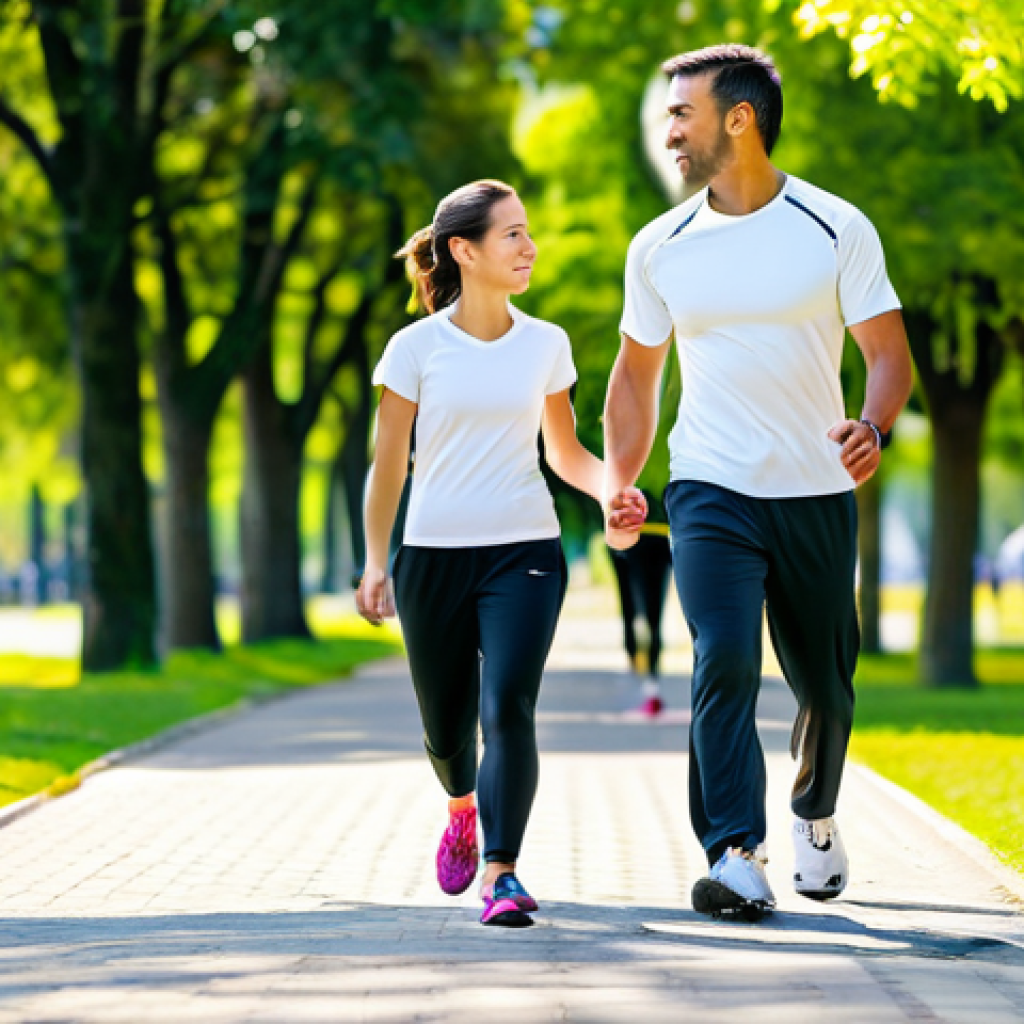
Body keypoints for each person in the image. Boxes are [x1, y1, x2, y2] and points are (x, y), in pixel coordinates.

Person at [603, 45, 914, 920]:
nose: (667, 131)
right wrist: (620, 485)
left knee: (826, 681)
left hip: (815, 486)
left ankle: (814, 814)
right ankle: (735, 852)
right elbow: (634, 378)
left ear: (738, 119)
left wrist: (871, 425)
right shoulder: (659, 246)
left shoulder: (835, 226)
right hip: (708, 486)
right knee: (723, 659)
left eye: (681, 114)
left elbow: (888, 355)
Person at [357, 179, 646, 928]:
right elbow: (389, 464)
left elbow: (564, 451)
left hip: (524, 549)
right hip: (432, 555)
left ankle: (502, 871)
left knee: (508, 707)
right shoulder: (414, 348)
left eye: (527, 232)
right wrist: (375, 561)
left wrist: (613, 490)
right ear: (465, 249)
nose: (529, 247)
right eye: (512, 234)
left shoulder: (546, 342)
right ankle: (461, 808)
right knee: (446, 731)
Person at [608, 489, 674, 715]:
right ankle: (650, 681)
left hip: (627, 532)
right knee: (653, 612)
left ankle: (638, 665)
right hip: (659, 534)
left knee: (630, 606)